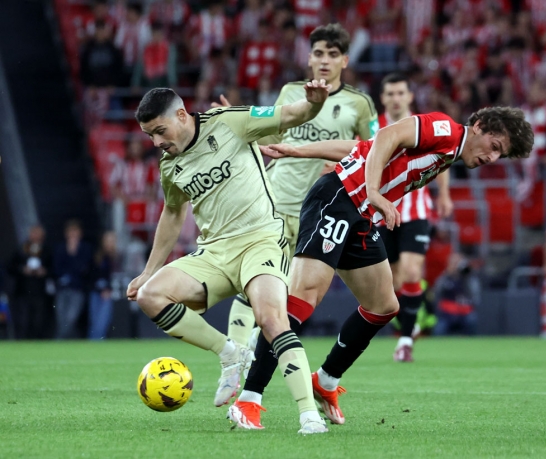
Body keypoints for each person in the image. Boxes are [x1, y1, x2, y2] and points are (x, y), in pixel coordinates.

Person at [229, 106, 533, 429]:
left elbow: (365, 146)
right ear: (479, 126)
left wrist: (297, 151)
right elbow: (388, 135)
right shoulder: (445, 129)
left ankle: (326, 380)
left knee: (384, 305)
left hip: (361, 216)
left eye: (502, 155)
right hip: (339, 199)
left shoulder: (448, 154)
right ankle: (249, 398)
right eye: (495, 146)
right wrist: (374, 191)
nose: (493, 158)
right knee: (303, 299)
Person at [126, 83, 332, 434]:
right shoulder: (170, 164)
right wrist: (148, 271)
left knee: (270, 320)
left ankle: (309, 415)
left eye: (160, 131)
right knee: (150, 295)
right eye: (149, 136)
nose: (156, 142)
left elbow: (294, 114)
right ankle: (230, 352)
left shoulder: (231, 122)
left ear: (181, 115)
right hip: (215, 253)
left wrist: (314, 104)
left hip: (261, 242)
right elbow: (173, 214)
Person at [226, 22, 379, 356]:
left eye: (333, 54)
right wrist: (233, 122)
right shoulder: (290, 92)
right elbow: (270, 138)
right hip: (277, 202)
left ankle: (257, 355)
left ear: (345, 61)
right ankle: (234, 358)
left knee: (291, 297)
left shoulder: (359, 103)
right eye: (319, 53)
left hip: (322, 212)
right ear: (309, 58)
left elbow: (375, 151)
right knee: (253, 284)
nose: (325, 60)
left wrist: (343, 164)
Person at [376, 72, 453, 362]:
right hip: (382, 213)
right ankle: (409, 324)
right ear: (383, 98)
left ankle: (406, 340)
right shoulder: (373, 126)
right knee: (393, 283)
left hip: (416, 210)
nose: (396, 99)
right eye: (390, 94)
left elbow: (442, 161)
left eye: (400, 93)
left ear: (409, 96)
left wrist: (444, 195)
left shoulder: (423, 126)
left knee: (411, 273)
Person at [7, 224, 53, 339]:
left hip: (40, 291)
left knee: (39, 319)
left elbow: (54, 268)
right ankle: (22, 341)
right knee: (23, 319)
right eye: (34, 233)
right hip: (23, 290)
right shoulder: (21, 249)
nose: (36, 236)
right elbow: (9, 266)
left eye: (38, 233)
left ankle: (38, 342)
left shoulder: (47, 250)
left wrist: (44, 272)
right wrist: (22, 269)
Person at [54, 220, 93, 339]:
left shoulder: (85, 248)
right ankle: (69, 341)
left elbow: (84, 269)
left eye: (75, 231)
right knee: (61, 317)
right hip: (62, 288)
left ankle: (58, 340)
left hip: (77, 288)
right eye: (70, 232)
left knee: (71, 317)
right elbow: (56, 268)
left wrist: (73, 253)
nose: (73, 235)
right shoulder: (60, 248)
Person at [432, 253, 479, 336]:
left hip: (464, 313)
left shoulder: (468, 278)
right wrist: (449, 273)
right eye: (453, 263)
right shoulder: (444, 278)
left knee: (471, 320)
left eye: (458, 263)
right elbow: (436, 294)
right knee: (439, 329)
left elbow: (474, 295)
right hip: (447, 314)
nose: (455, 266)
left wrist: (465, 274)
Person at [89, 231, 122, 340]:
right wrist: (101, 289)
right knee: (95, 320)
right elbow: (92, 275)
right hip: (96, 292)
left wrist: (109, 289)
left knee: (103, 320)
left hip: (109, 293)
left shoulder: (117, 258)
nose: (110, 243)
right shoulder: (98, 256)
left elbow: (116, 277)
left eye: (112, 241)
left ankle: (97, 341)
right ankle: (93, 343)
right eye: (108, 241)